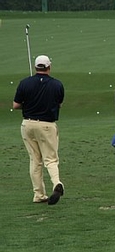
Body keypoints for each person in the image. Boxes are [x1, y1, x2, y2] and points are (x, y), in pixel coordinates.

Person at [13, 55, 65, 205]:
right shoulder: (57, 85)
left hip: (27, 124)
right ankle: (56, 183)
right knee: (51, 159)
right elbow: (59, 104)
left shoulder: (24, 83)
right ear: (49, 67)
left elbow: (16, 105)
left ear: (36, 67)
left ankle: (39, 194)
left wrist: (28, 105)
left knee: (35, 160)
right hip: (47, 125)